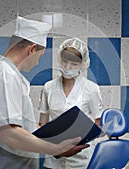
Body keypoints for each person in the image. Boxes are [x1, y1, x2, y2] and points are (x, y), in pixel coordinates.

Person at [0, 16, 89, 169]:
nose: (38, 62)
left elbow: (21, 128)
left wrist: (57, 136)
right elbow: (10, 135)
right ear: (31, 49)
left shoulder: (4, 73)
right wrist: (57, 149)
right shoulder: (4, 75)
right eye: (40, 56)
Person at [38, 38, 104, 169]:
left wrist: (83, 140)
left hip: (82, 159)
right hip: (54, 158)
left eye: (74, 64)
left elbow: (98, 123)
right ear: (59, 59)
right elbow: (42, 123)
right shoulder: (48, 87)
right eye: (65, 61)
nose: (68, 67)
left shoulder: (91, 89)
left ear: (82, 64)